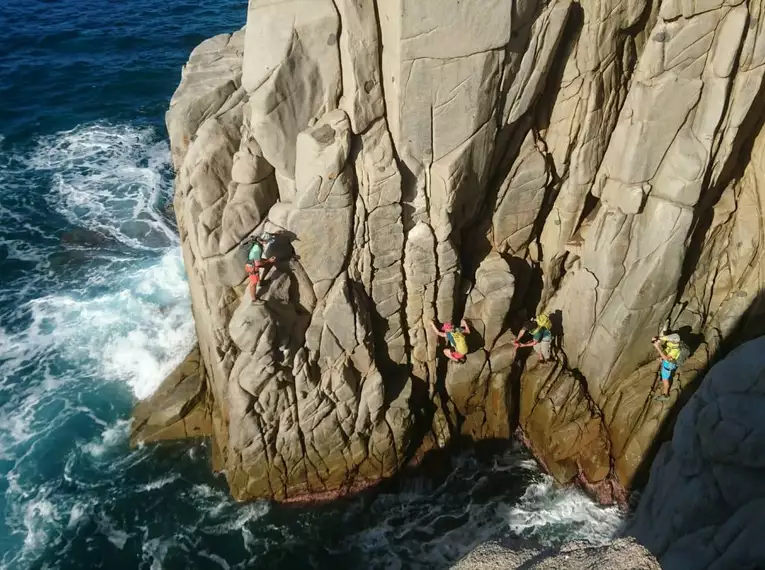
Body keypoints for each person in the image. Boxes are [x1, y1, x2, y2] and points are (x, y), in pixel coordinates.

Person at [244, 233, 276, 302]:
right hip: (251, 266)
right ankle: (254, 299)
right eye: (267, 241)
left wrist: (276, 233)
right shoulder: (257, 249)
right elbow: (257, 263)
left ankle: (261, 282)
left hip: (254, 261)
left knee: (270, 263)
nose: (267, 242)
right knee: (253, 282)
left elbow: (266, 234)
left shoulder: (257, 240)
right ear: (263, 241)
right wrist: (268, 260)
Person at [652, 333, 682, 401]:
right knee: (664, 375)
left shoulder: (675, 350)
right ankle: (663, 378)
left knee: (665, 380)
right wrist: (657, 338)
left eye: (670, 340)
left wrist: (657, 347)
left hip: (668, 364)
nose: (669, 340)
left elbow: (666, 358)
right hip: (666, 361)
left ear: (674, 341)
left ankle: (666, 395)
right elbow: (664, 338)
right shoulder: (674, 341)